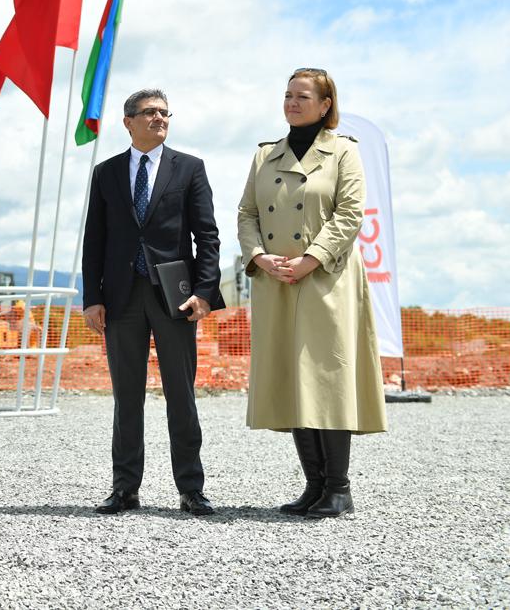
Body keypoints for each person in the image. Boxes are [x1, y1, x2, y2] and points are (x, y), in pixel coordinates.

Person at [237, 68, 386, 518]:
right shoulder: (265, 155)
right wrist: (259, 257)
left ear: (325, 105)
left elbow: (350, 213)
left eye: (302, 96)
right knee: (292, 376)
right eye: (288, 95)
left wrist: (312, 258)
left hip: (326, 279)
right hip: (276, 280)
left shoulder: (344, 152)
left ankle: (339, 488)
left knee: (326, 377)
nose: (292, 102)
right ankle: (314, 486)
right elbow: (246, 213)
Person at [82, 88, 225, 516]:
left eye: (164, 112)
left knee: (181, 395)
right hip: (121, 297)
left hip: (175, 297)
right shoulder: (106, 172)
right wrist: (92, 298)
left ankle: (191, 489)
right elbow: (94, 240)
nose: (159, 118)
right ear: (128, 122)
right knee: (127, 398)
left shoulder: (190, 168)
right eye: (150, 112)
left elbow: (207, 236)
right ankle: (125, 489)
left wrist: (204, 291)